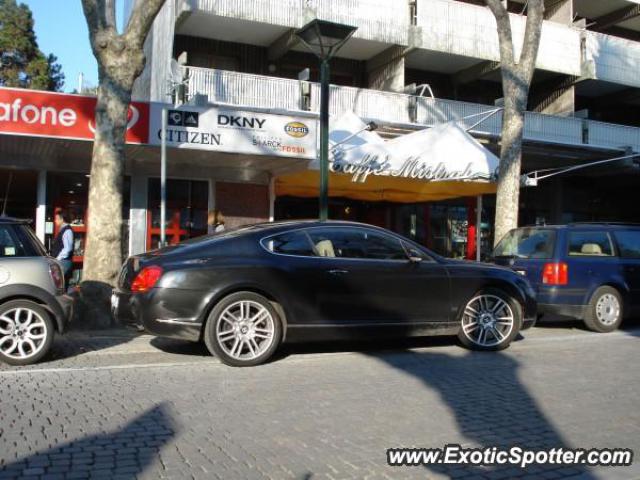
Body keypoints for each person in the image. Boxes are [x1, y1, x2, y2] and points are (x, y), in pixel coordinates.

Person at [51, 209, 74, 279]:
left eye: (57, 219)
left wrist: (57, 259)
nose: (55, 221)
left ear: (62, 219)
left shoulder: (67, 231)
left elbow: (67, 248)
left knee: (58, 282)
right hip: (61, 262)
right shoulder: (63, 230)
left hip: (64, 262)